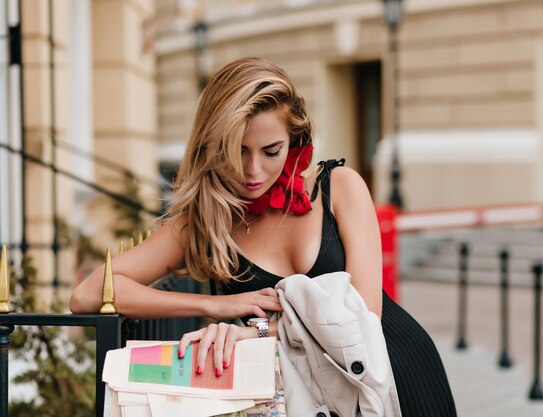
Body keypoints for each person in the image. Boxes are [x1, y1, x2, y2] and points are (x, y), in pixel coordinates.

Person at [70, 57, 456, 416]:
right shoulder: (203, 222)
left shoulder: (340, 188)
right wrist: (216, 308)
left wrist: (254, 330)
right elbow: (89, 294)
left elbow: (362, 317)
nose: (252, 171)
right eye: (236, 151)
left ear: (294, 140)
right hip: (305, 402)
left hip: (394, 372)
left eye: (271, 151)